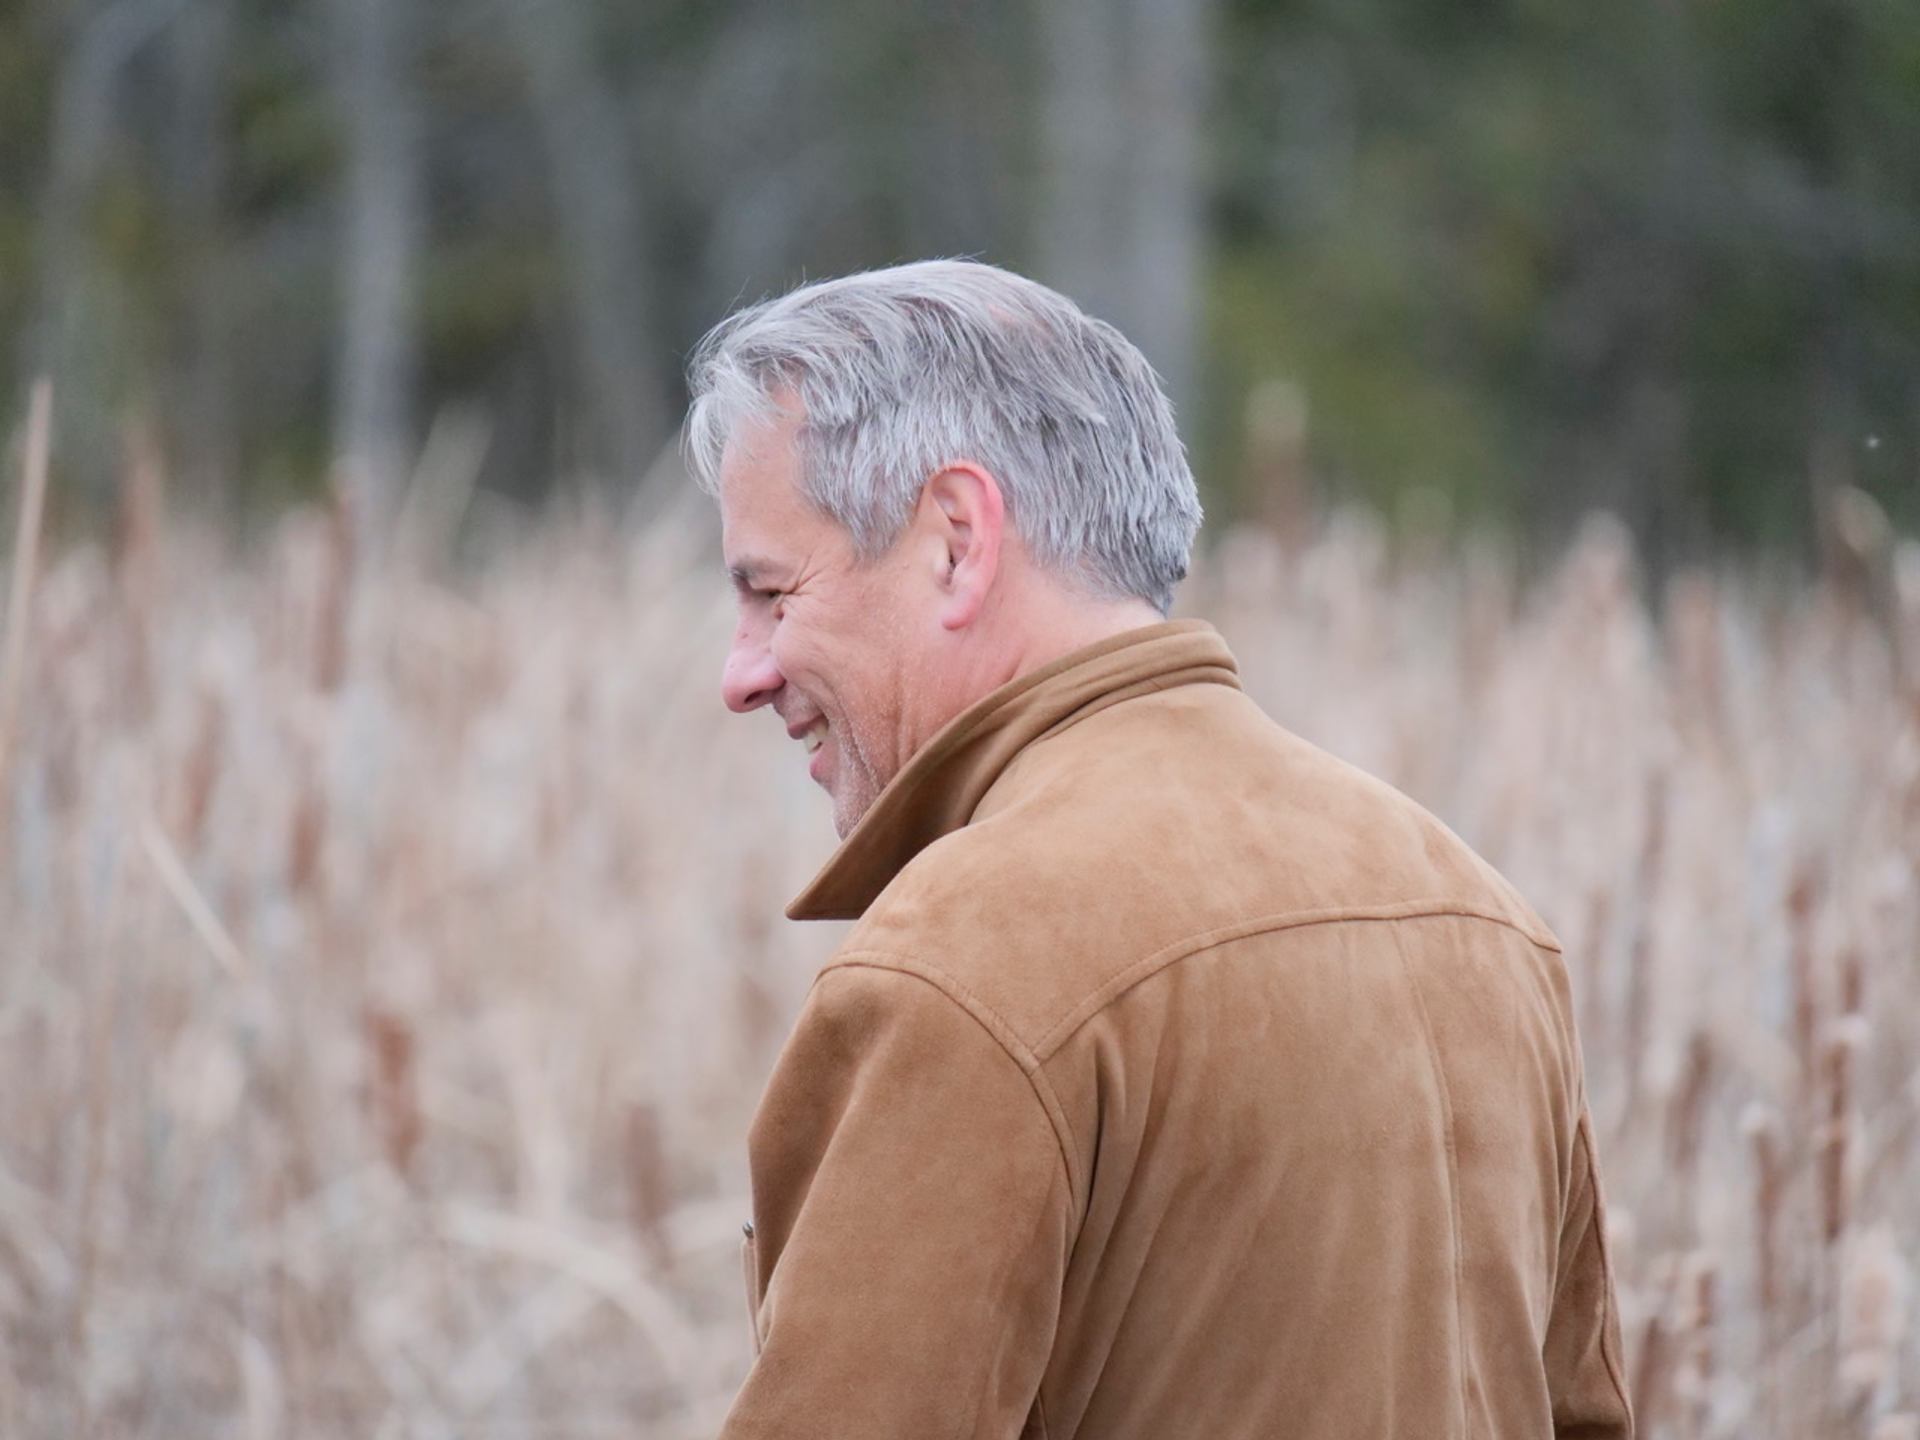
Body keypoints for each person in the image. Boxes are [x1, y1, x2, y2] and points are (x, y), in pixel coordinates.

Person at [687, 259, 1632, 1440]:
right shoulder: (1481, 915)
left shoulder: (967, 962)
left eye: (772, 593)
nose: (743, 672)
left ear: (956, 541)